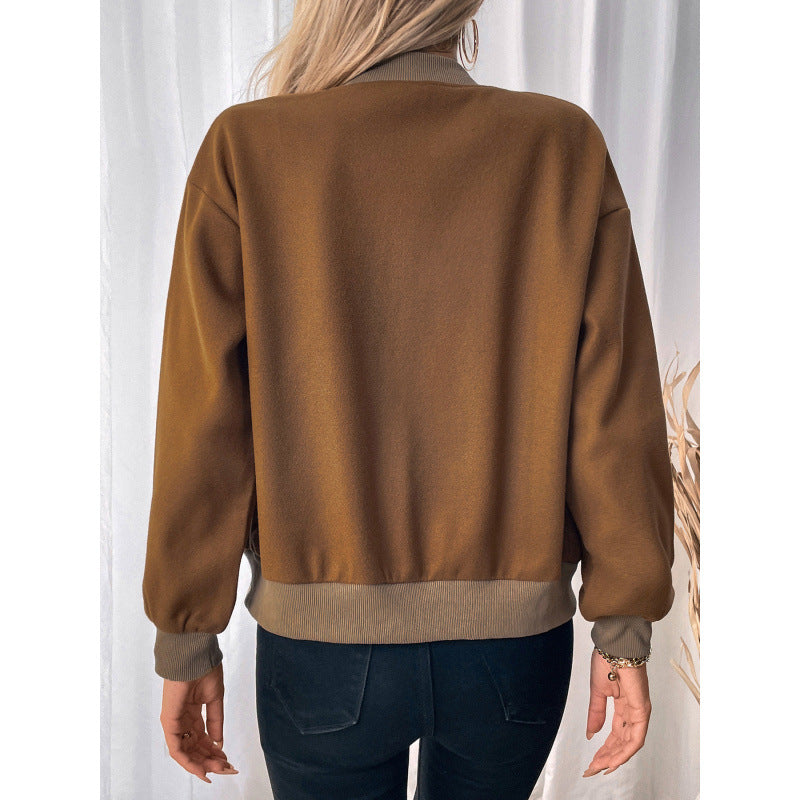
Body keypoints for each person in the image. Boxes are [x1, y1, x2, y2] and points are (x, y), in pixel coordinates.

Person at [142, 1, 676, 797]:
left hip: (322, 650)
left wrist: (187, 636)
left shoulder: (248, 150)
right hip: (512, 650)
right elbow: (613, 414)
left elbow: (204, 423)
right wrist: (623, 631)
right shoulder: (561, 145)